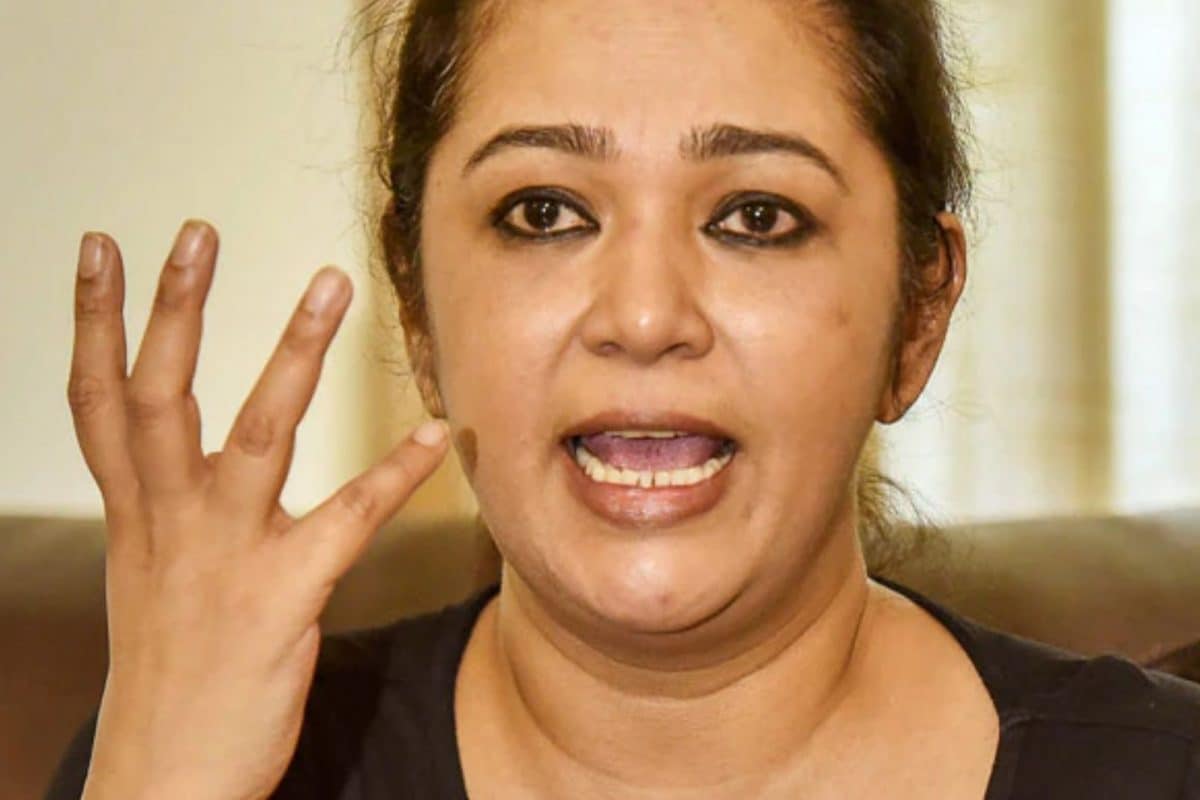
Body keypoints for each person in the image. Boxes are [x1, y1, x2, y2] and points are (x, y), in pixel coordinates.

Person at [47, 0, 1200, 797]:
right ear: (418, 305)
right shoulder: (195, 748)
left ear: (918, 313)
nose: (645, 316)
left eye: (756, 215)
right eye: (544, 212)